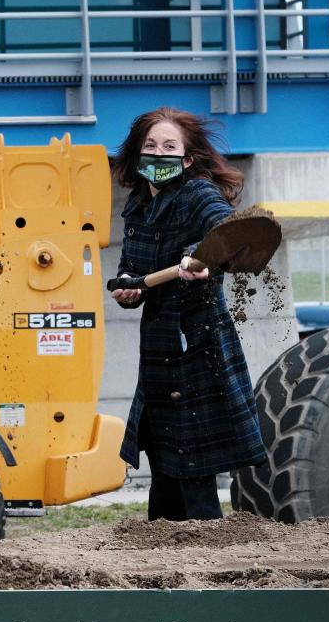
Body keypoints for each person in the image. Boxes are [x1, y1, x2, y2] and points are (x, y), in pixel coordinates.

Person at [110, 107, 266, 521]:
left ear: (187, 158)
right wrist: (130, 289)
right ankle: (162, 548)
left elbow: (226, 234)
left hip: (198, 342)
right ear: (137, 155)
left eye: (169, 147)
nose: (158, 154)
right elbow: (131, 269)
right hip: (159, 344)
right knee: (164, 452)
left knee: (192, 457)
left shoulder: (198, 194)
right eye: (150, 146)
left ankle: (211, 555)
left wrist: (203, 259)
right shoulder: (138, 206)